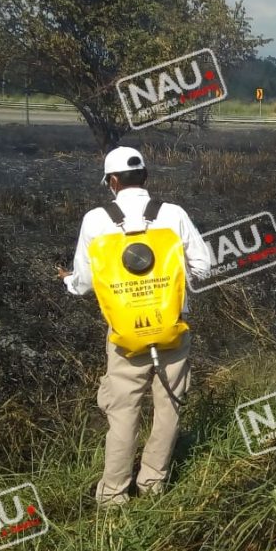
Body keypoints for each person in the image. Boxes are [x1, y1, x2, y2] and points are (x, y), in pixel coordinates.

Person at [57, 146, 212, 505]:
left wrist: (67, 280)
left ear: (112, 181)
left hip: (125, 336)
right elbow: (204, 267)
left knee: (123, 413)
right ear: (146, 177)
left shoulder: (96, 220)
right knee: (169, 407)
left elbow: (83, 283)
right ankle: (152, 484)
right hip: (171, 330)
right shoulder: (172, 214)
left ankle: (113, 495)